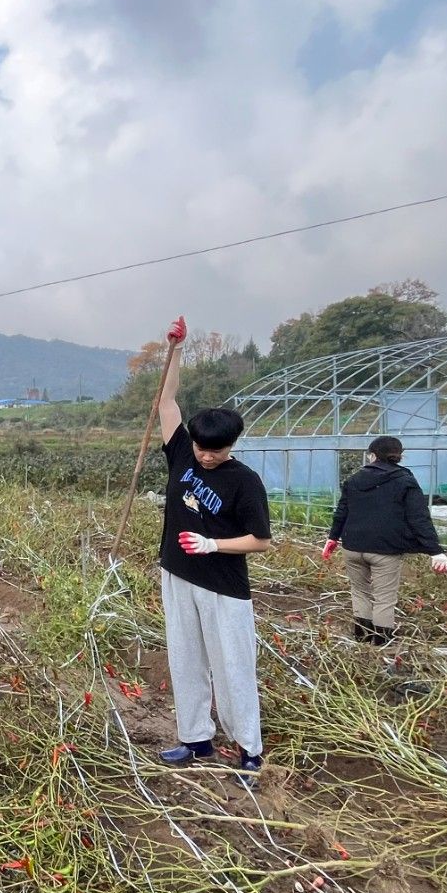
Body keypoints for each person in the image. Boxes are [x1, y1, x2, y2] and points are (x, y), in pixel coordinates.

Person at [154, 316, 272, 779]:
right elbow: (166, 400)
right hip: (177, 573)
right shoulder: (183, 452)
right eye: (201, 448)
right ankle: (195, 738)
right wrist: (177, 349)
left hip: (223, 585)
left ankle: (248, 746)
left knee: (232, 664)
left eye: (214, 451)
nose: (205, 456)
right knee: (185, 657)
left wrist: (212, 544)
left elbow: (260, 540)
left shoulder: (244, 481)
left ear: (232, 445)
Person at [323, 436, 447, 644]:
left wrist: (333, 538)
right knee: (384, 598)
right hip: (385, 550)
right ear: (399, 455)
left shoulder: (354, 479)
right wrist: (435, 550)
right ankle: (381, 644)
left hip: (353, 546)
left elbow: (342, 511)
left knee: (360, 592)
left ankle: (361, 640)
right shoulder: (405, 481)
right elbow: (419, 517)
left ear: (371, 455)